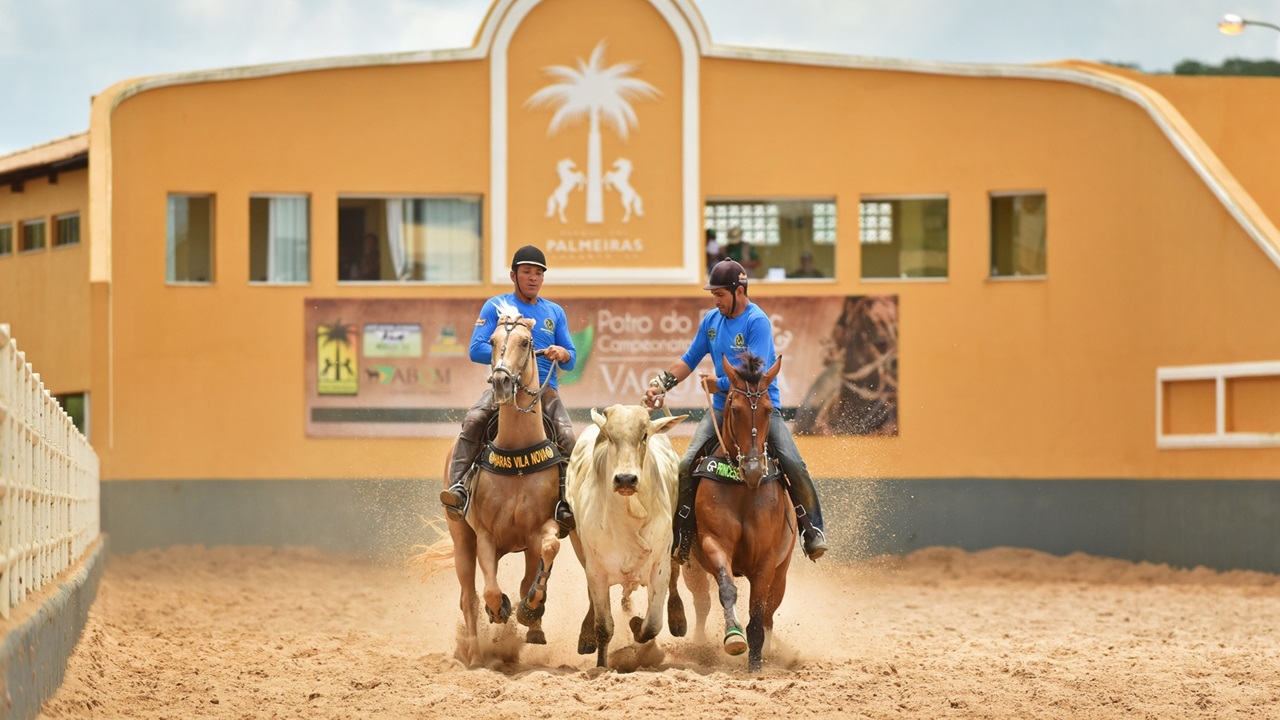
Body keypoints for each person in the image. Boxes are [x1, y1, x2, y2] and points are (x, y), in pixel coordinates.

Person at [643, 259, 829, 562]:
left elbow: (753, 376)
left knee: (794, 464)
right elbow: (689, 359)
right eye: (713, 295)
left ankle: (813, 530)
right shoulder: (712, 322)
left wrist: (718, 384)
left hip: (761, 410)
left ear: (738, 291)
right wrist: (660, 385)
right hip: (721, 411)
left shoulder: (758, 322)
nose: (715, 301)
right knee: (684, 465)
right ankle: (682, 534)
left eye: (719, 295)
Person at [440, 245, 578, 534]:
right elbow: (477, 349)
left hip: (544, 390)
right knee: (475, 420)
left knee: (567, 435)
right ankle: (458, 490)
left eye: (539, 273)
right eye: (527, 272)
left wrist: (562, 354)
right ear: (513, 275)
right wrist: (513, 352)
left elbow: (572, 357)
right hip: (504, 386)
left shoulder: (555, 312)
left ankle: (567, 503)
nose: (533, 278)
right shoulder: (496, 307)